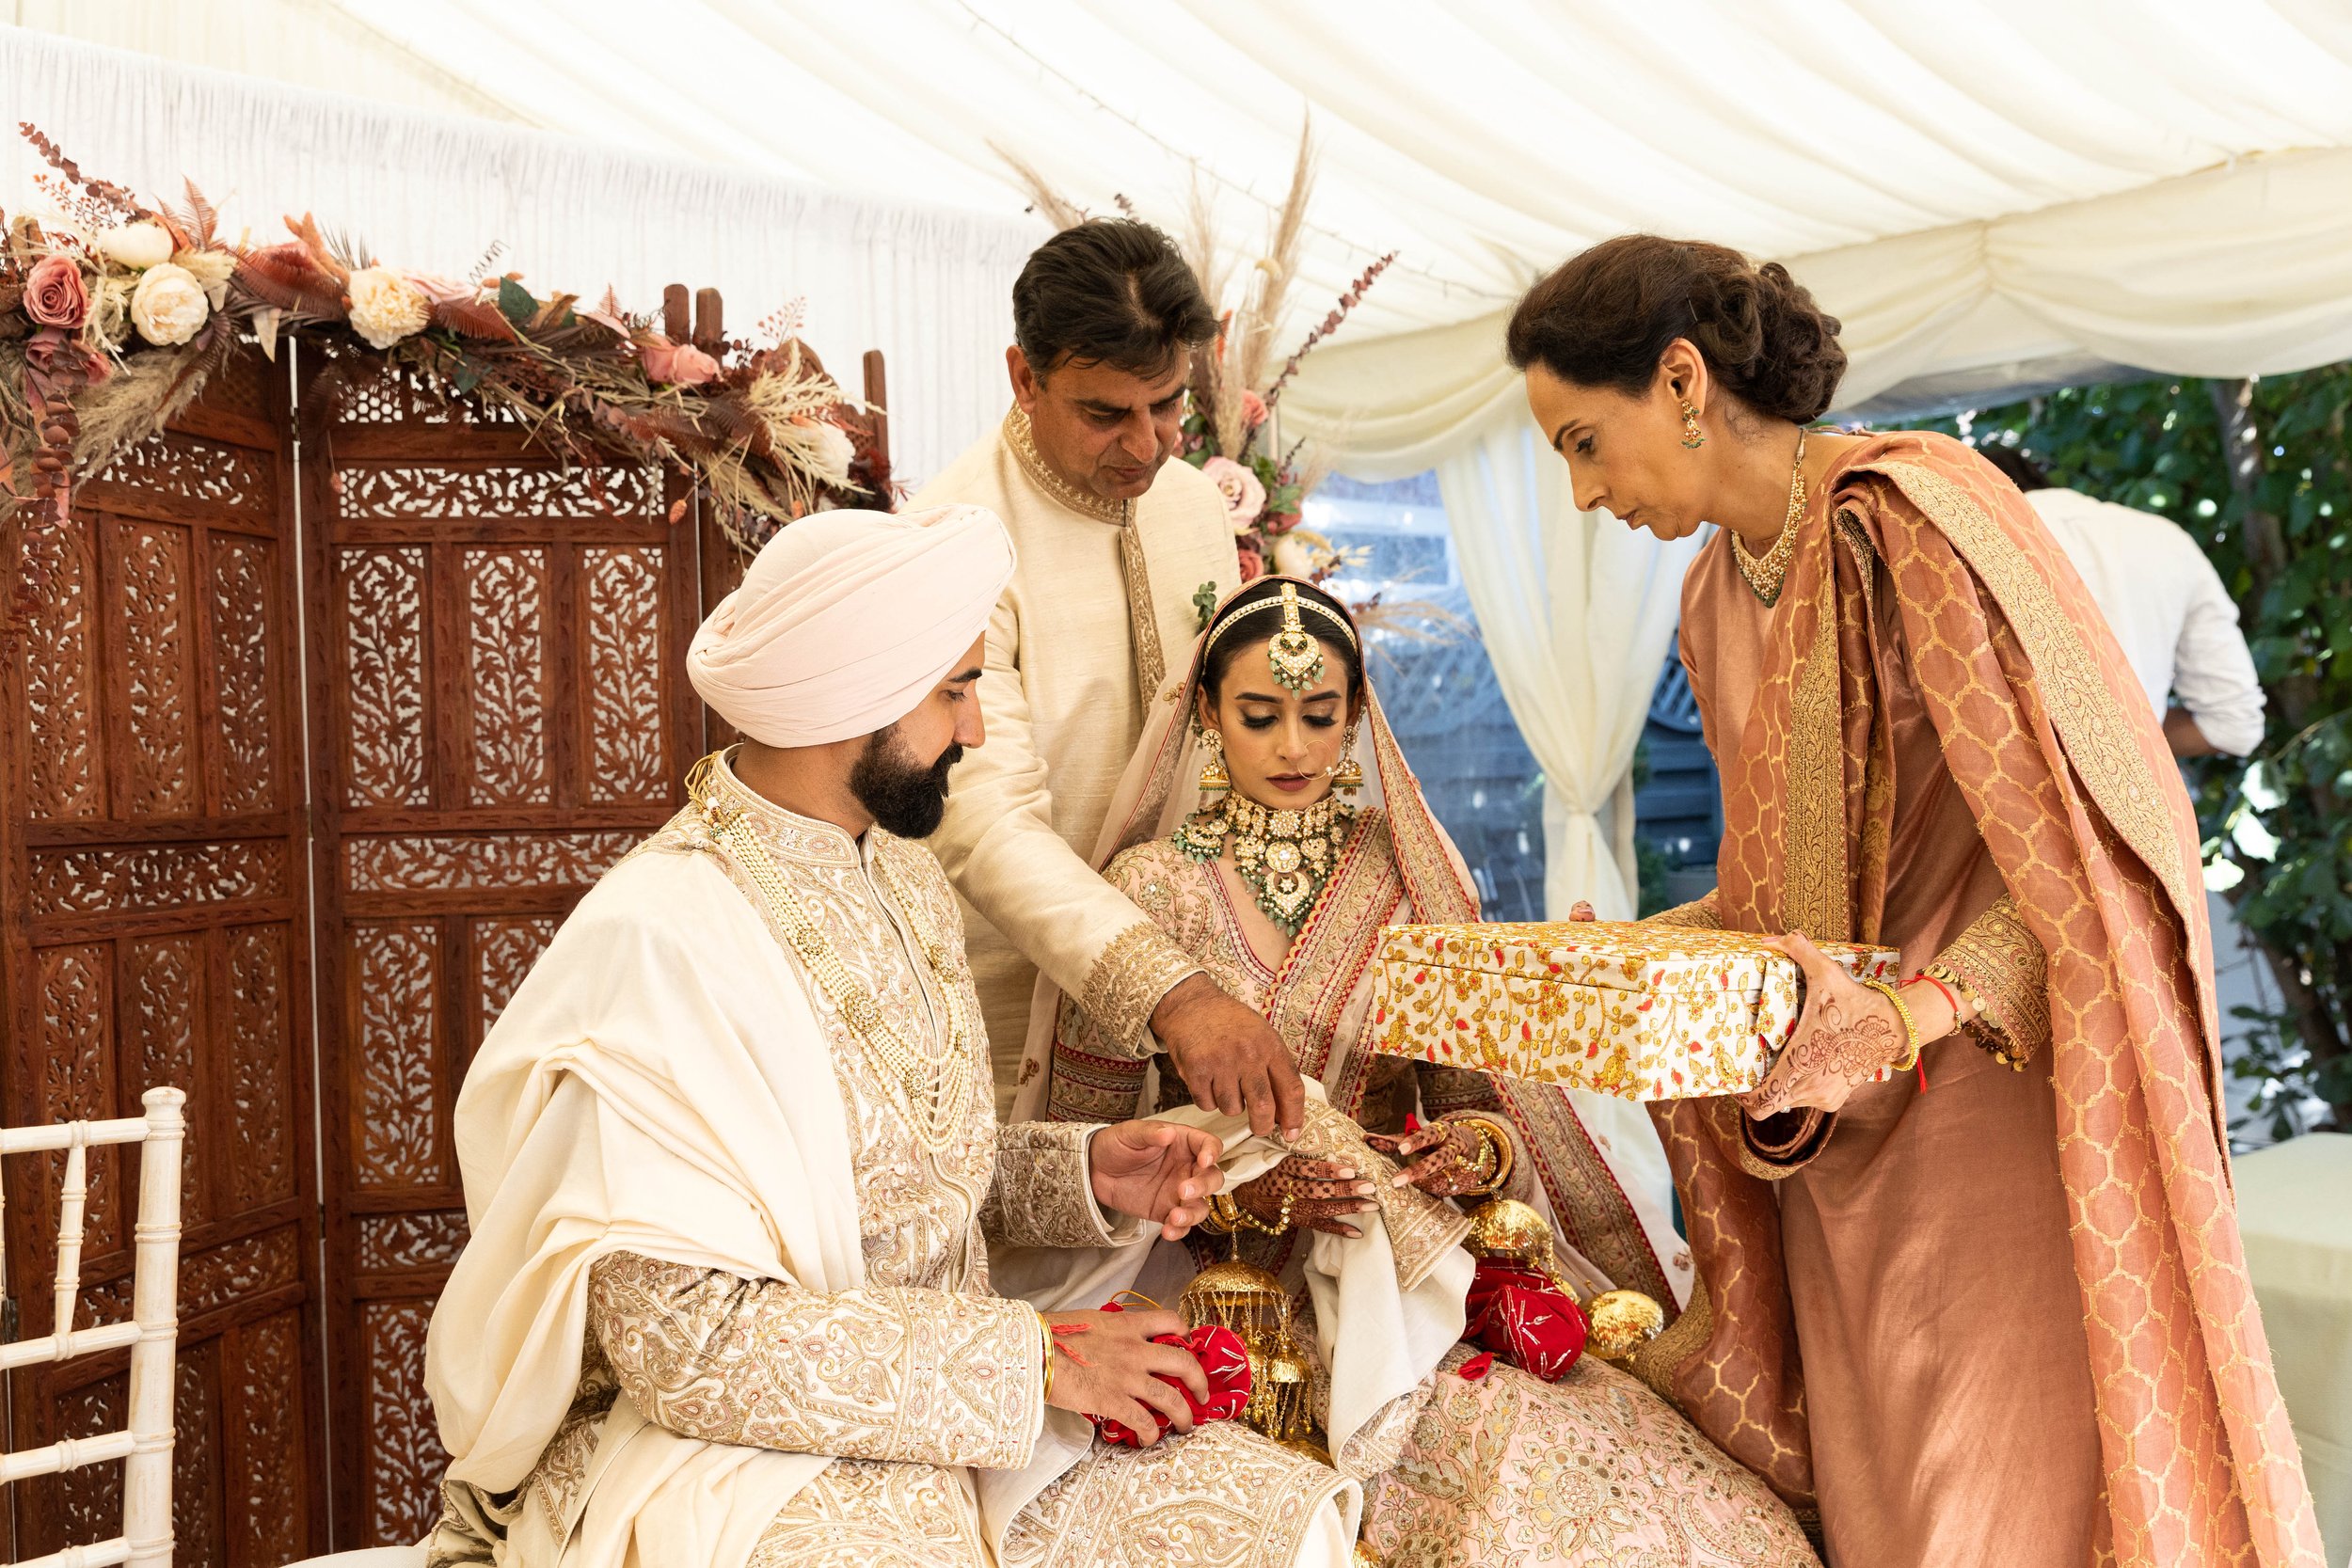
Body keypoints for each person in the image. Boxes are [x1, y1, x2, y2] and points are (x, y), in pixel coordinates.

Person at [1505, 236, 2322, 1566]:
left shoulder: (1914, 520)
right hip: (1836, 1149)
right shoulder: (1717, 592)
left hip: (1984, 1114)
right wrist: (1619, 957)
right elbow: (1786, 895)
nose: (1586, 492)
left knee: (1990, 1511)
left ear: (1681, 379)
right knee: (1884, 1508)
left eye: (1585, 443)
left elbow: (2088, 850)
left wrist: (1908, 1016)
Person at [421, 506, 1359, 1568]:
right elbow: (682, 1345)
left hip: (961, 1403)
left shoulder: (902, 873)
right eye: (955, 690)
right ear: (848, 696)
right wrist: (1032, 1360)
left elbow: (887, 1175)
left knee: (1270, 1526)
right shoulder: (661, 941)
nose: (978, 730)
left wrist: (1087, 1174)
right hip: (732, 1445)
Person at [1014, 575, 1817, 1566]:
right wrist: (1251, 1193)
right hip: (1219, 1293)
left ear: (1358, 715)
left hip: (1413, 1275)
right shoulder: (1150, 889)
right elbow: (1082, 1138)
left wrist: (1464, 1154)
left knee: (1617, 1496)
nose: (1295, 747)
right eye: (1259, 716)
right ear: (1205, 715)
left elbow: (1486, 1114)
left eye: (1320, 714)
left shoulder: (1410, 875)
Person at [914, 219, 1304, 1140]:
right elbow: (984, 818)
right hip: (1012, 995)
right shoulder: (953, 538)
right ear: (1023, 377)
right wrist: (1167, 989)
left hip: (1203, 990)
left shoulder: (1191, 508)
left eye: (1166, 405)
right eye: (1105, 413)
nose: (1149, 443)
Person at [1976, 442, 2265, 758]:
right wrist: (2124, 747)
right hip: (2141, 802)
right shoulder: (2166, 540)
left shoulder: (1964, 546)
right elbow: (2236, 726)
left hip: (2002, 794)